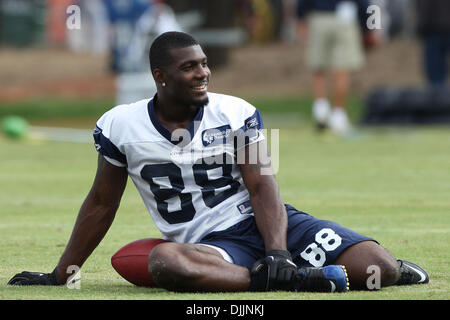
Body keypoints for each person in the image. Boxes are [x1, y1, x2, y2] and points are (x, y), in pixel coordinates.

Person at [8, 31, 428, 292]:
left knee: (378, 269)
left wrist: (278, 250)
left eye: (205, 63)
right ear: (161, 76)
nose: (203, 73)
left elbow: (263, 185)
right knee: (165, 261)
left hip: (263, 223)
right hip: (211, 246)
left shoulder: (235, 112)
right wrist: (62, 272)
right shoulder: (120, 125)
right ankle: (292, 282)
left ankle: (287, 271)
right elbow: (101, 203)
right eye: (189, 67)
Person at [296, 0, 378, 134]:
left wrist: (300, 18)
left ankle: (320, 109)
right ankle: (338, 114)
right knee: (341, 69)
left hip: (319, 17)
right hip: (344, 19)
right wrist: (370, 28)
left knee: (318, 66)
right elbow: (366, 4)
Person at [416, 0, 450, 87]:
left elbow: (424, 7)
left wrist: (421, 27)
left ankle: (438, 97)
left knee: (435, 76)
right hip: (437, 28)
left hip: (433, 30)